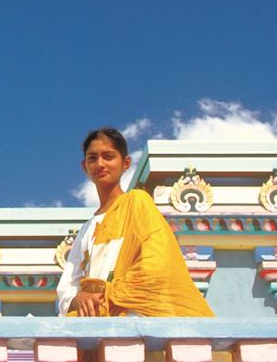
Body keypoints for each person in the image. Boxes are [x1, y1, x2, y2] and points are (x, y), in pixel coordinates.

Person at [57, 127, 213, 318]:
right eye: (92, 158)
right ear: (85, 167)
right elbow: (68, 285)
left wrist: (111, 294)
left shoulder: (138, 203)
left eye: (108, 156)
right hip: (95, 324)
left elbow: (158, 262)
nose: (100, 164)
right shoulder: (86, 229)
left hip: (134, 319)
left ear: (126, 163)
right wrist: (77, 299)